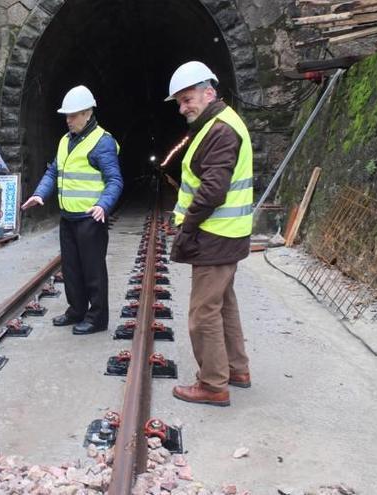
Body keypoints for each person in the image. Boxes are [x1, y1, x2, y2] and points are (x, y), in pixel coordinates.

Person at [162, 61, 253, 407]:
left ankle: (213, 384)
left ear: (209, 92)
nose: (184, 108)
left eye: (188, 99)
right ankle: (236, 369)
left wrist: (187, 224)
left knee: (203, 313)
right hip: (228, 233)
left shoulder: (219, 129)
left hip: (215, 235)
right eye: (180, 103)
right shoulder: (216, 124)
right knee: (224, 305)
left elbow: (213, 189)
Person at [21, 85, 123, 335]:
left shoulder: (102, 142)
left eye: (73, 115)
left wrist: (103, 205)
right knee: (71, 268)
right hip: (68, 218)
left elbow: (115, 180)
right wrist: (39, 194)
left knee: (93, 270)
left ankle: (97, 318)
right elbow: (54, 171)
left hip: (90, 218)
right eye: (66, 115)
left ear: (88, 113)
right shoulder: (65, 141)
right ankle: (76, 310)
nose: (68, 120)